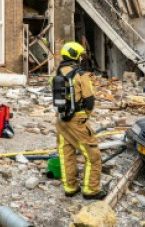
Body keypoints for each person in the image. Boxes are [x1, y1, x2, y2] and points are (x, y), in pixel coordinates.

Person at [54, 41, 106, 200]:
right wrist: (85, 116)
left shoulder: (57, 72)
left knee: (66, 153)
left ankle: (70, 187)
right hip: (77, 119)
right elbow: (89, 101)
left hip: (61, 118)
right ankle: (91, 190)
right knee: (93, 155)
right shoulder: (81, 75)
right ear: (76, 56)